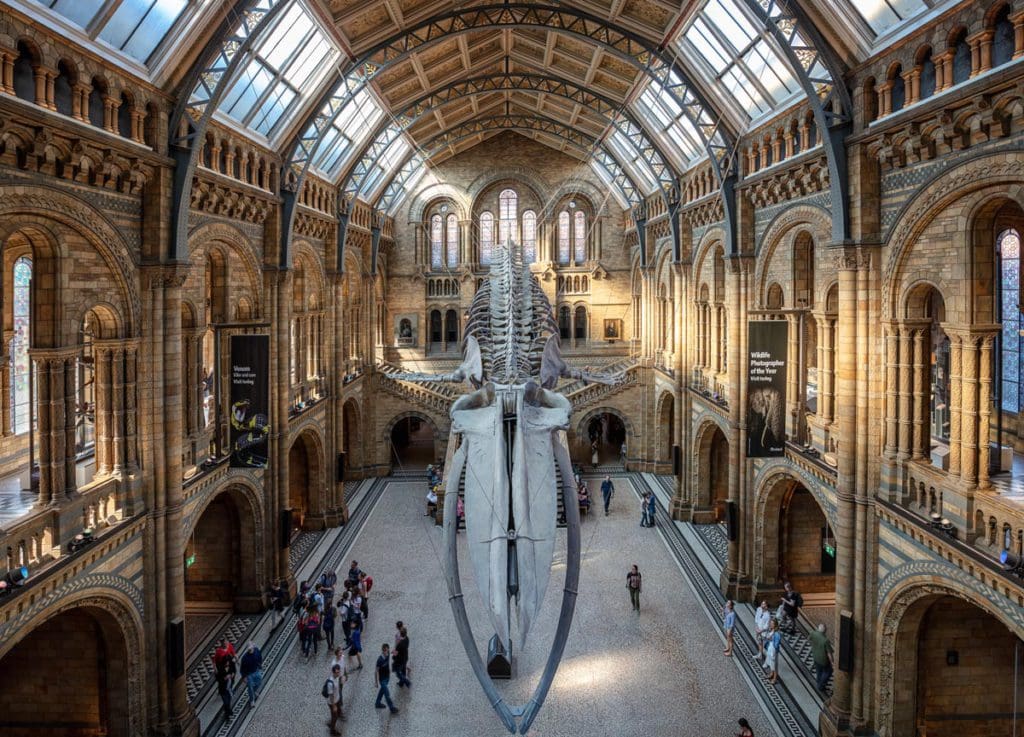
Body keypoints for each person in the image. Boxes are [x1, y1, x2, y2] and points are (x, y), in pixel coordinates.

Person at [808, 623, 834, 694]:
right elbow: (829, 653)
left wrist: (814, 647)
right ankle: (821, 685)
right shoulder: (825, 640)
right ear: (825, 631)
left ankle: (819, 681)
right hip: (823, 660)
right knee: (828, 671)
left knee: (818, 670)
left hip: (815, 657)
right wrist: (832, 662)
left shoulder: (813, 633)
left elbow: (809, 639)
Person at [374, 643, 399, 713]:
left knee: (382, 690)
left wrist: (397, 653)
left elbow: (395, 652)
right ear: (382, 651)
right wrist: (376, 682)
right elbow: (376, 671)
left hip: (387, 677)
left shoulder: (388, 654)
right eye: (385, 651)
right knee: (387, 693)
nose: (386, 653)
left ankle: (377, 703)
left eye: (387, 651)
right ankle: (392, 708)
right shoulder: (379, 660)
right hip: (382, 680)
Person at [324, 663, 346, 735]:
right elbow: (331, 695)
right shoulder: (330, 683)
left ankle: (331, 723)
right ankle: (332, 730)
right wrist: (334, 706)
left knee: (338, 712)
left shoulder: (337, 677)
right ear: (333, 672)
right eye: (337, 672)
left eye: (339, 671)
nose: (338, 673)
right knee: (335, 716)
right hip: (332, 702)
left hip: (337, 699)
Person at [764, 617, 781, 684]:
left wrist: (771, 640)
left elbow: (776, 644)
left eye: (772, 624)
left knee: (774, 665)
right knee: (771, 663)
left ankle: (774, 678)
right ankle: (771, 673)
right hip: (770, 648)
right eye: (770, 623)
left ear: (775, 625)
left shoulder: (777, 634)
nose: (771, 625)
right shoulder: (771, 631)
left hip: (774, 651)